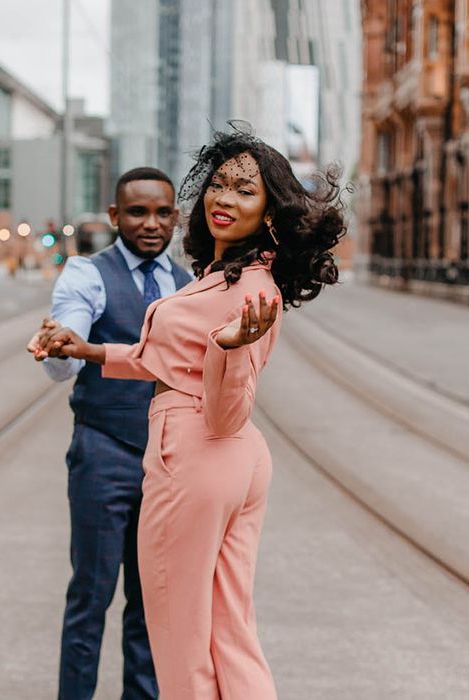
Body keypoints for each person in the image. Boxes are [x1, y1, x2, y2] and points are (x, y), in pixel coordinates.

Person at [31, 126, 346, 699]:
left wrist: (228, 352)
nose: (225, 199)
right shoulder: (221, 277)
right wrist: (87, 349)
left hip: (197, 453)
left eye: (245, 191)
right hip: (229, 461)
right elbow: (166, 359)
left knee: (178, 637)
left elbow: (226, 411)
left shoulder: (251, 292)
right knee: (228, 631)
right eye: (219, 184)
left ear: (270, 212)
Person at [31, 167, 193, 699]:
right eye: (137, 212)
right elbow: (67, 346)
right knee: (91, 597)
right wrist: (63, 343)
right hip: (103, 452)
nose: (151, 224)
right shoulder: (87, 274)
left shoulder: (189, 286)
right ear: (114, 216)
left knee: (152, 606)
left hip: (168, 465)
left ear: (176, 216)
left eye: (162, 212)